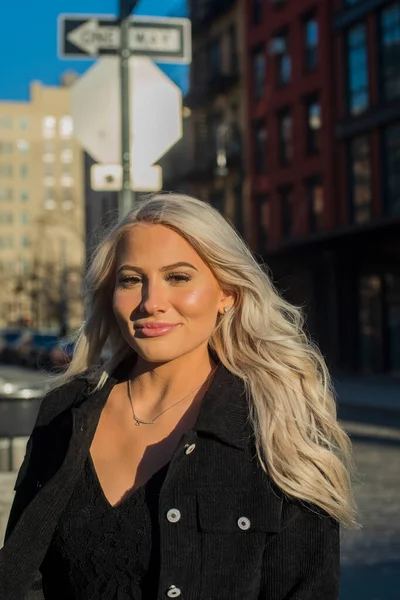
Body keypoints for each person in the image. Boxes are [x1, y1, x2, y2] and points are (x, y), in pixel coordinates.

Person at [1, 193, 356, 600]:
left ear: (228, 293)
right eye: (131, 280)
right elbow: (22, 576)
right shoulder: (64, 413)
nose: (151, 303)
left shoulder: (277, 429)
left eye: (179, 277)